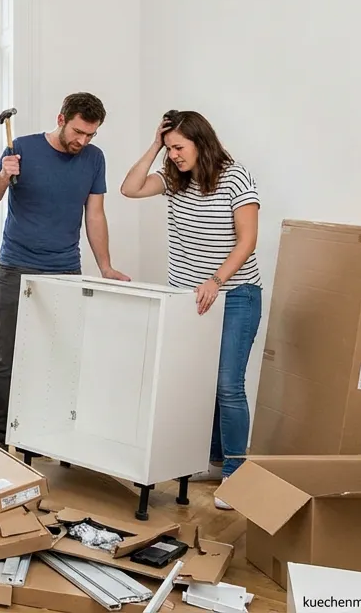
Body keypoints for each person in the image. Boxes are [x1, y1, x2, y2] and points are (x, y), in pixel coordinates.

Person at [119, 110, 261, 508]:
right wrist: (155, 144)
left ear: (201, 141)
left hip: (235, 294)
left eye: (179, 147)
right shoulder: (173, 179)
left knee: (228, 384)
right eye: (170, 148)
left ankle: (236, 472)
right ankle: (214, 460)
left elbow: (247, 240)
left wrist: (215, 281)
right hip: (189, 299)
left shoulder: (235, 177)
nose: (174, 155)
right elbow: (129, 189)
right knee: (200, 382)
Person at [0, 92, 129, 448]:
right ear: (61, 120)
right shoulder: (21, 148)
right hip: (16, 267)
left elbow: (95, 214)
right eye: (78, 132)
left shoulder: (94, 159)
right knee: (7, 357)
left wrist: (105, 266)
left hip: (64, 271)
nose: (83, 141)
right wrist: (4, 175)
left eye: (90, 134)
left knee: (61, 357)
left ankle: (50, 434)